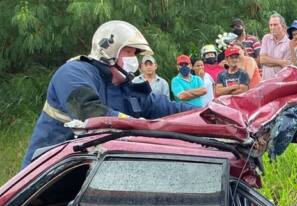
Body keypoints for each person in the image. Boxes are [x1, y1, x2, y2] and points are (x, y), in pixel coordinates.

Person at [21, 20, 191, 168]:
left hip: (88, 174)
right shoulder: (73, 73)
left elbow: (168, 107)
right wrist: (139, 125)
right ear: (109, 51)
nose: (135, 61)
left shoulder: (126, 87)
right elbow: (91, 113)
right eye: (129, 52)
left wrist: (208, 112)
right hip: (47, 176)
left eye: (135, 54)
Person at [259, 13, 291, 81]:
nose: (272, 27)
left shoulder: (289, 43)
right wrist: (281, 62)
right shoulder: (266, 38)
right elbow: (262, 60)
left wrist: (268, 60)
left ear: (282, 25)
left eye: (275, 25)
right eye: (271, 25)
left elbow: (286, 67)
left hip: (281, 83)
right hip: (266, 82)